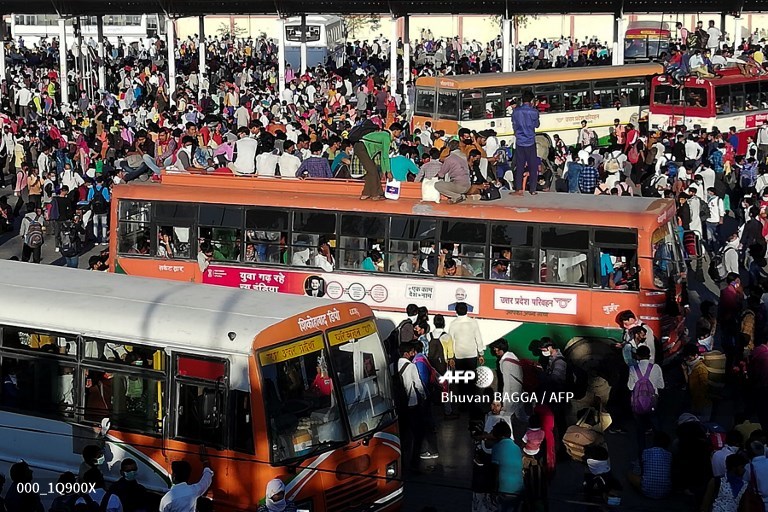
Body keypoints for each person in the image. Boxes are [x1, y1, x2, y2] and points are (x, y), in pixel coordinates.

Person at [448, 302, 484, 402]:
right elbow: (479, 339)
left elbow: (450, 341)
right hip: (472, 355)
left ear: (456, 311)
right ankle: (472, 403)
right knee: (472, 381)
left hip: (459, 356)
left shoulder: (453, 324)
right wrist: (480, 354)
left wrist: (451, 357)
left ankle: (463, 404)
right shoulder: (473, 322)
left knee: (461, 381)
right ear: (467, 310)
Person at [356, 122, 402, 201]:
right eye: (399, 132)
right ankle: (374, 195)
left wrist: (384, 171)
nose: (400, 134)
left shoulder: (384, 135)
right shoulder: (386, 137)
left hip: (361, 148)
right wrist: (388, 171)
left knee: (371, 171)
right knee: (373, 171)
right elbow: (385, 156)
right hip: (362, 148)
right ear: (395, 131)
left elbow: (382, 156)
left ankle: (366, 193)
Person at [511, 89, 540, 196]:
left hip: (520, 142)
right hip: (530, 141)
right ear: (531, 100)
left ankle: (518, 189)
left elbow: (514, 126)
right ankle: (532, 189)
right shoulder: (534, 112)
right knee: (533, 166)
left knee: (519, 166)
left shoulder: (516, 112)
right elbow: (536, 125)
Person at [490, 420, 524, 512]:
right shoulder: (516, 447)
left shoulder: (497, 447)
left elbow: (495, 472)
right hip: (519, 489)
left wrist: (493, 490)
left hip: (504, 490)